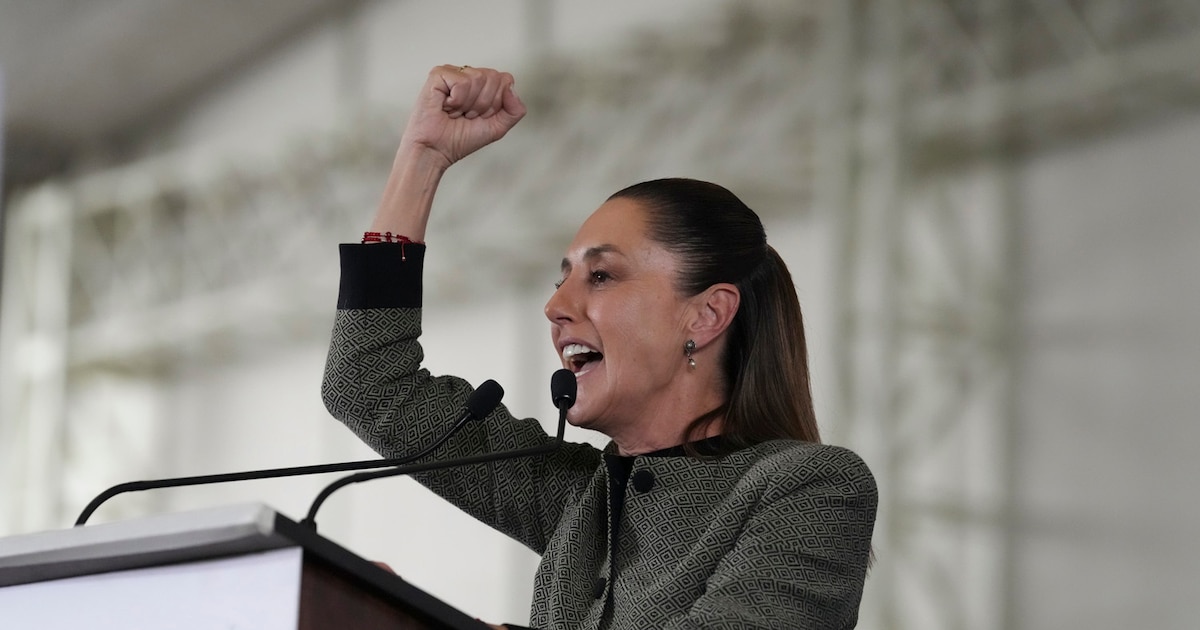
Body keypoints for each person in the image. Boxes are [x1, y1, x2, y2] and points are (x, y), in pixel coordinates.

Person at [322, 65, 877, 630]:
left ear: (708, 314)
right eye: (560, 279)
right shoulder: (580, 497)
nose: (555, 307)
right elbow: (368, 384)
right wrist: (422, 158)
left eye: (602, 276)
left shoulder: (811, 487)